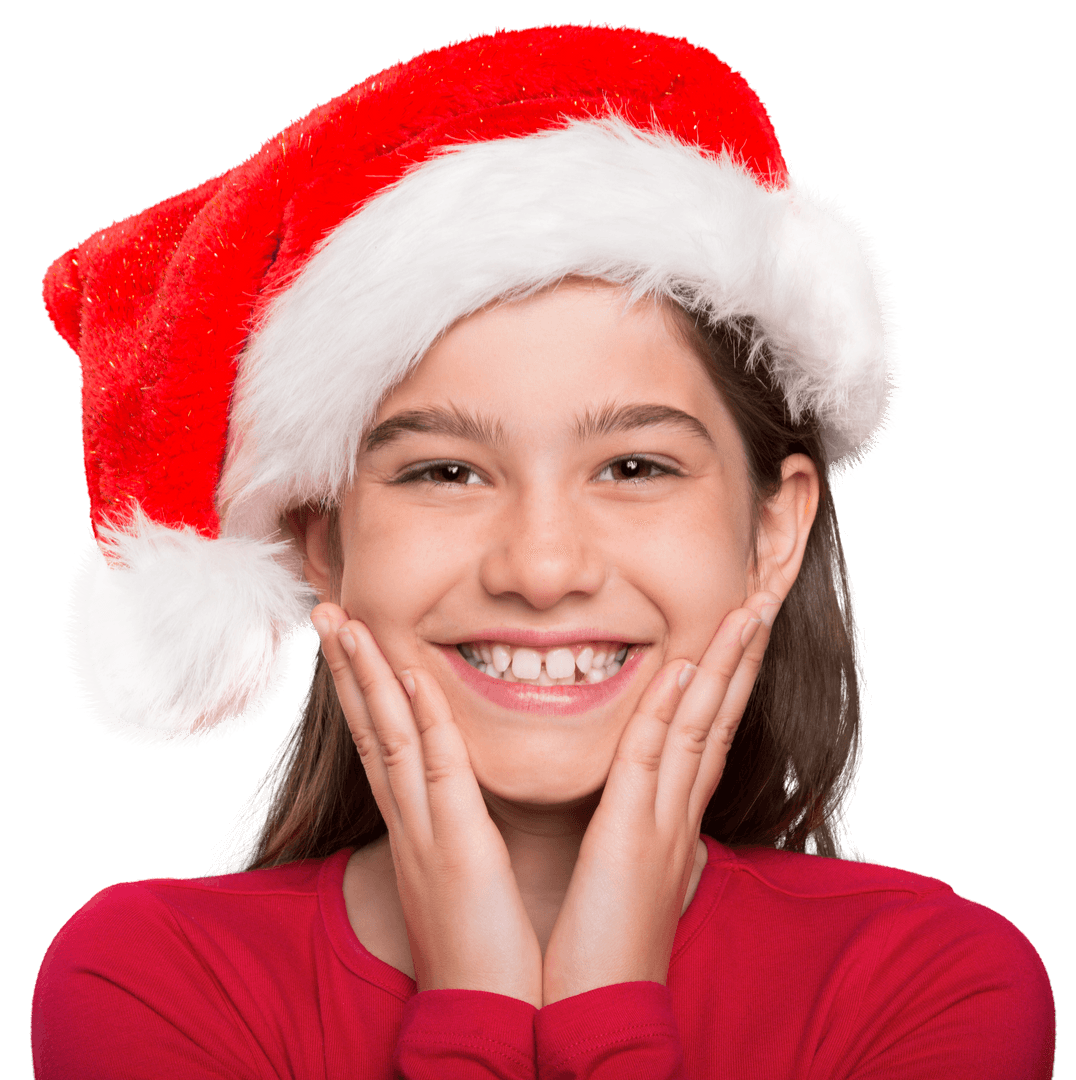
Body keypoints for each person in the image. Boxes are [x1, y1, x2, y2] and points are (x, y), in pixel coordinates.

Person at [30, 23, 1055, 1079]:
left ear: (771, 530)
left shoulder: (928, 984)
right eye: (445, 472)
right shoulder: (153, 978)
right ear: (322, 546)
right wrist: (476, 1001)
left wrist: (604, 1001)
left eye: (634, 467)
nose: (541, 568)